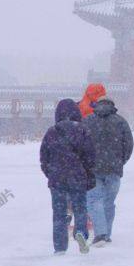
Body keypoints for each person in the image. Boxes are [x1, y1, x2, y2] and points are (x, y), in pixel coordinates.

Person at [39, 99, 96, 255]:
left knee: (59, 212)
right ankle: (80, 232)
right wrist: (87, 173)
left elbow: (44, 158)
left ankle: (59, 247)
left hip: (57, 178)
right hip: (78, 178)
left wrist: (50, 173)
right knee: (80, 209)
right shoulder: (83, 131)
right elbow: (90, 157)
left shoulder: (52, 132)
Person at [83, 97, 133, 246]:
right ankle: (107, 234)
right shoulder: (120, 121)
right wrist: (120, 161)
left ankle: (101, 234)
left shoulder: (87, 121)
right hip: (114, 169)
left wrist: (86, 162)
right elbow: (129, 144)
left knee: (94, 200)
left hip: (93, 168)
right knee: (109, 202)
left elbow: (81, 143)